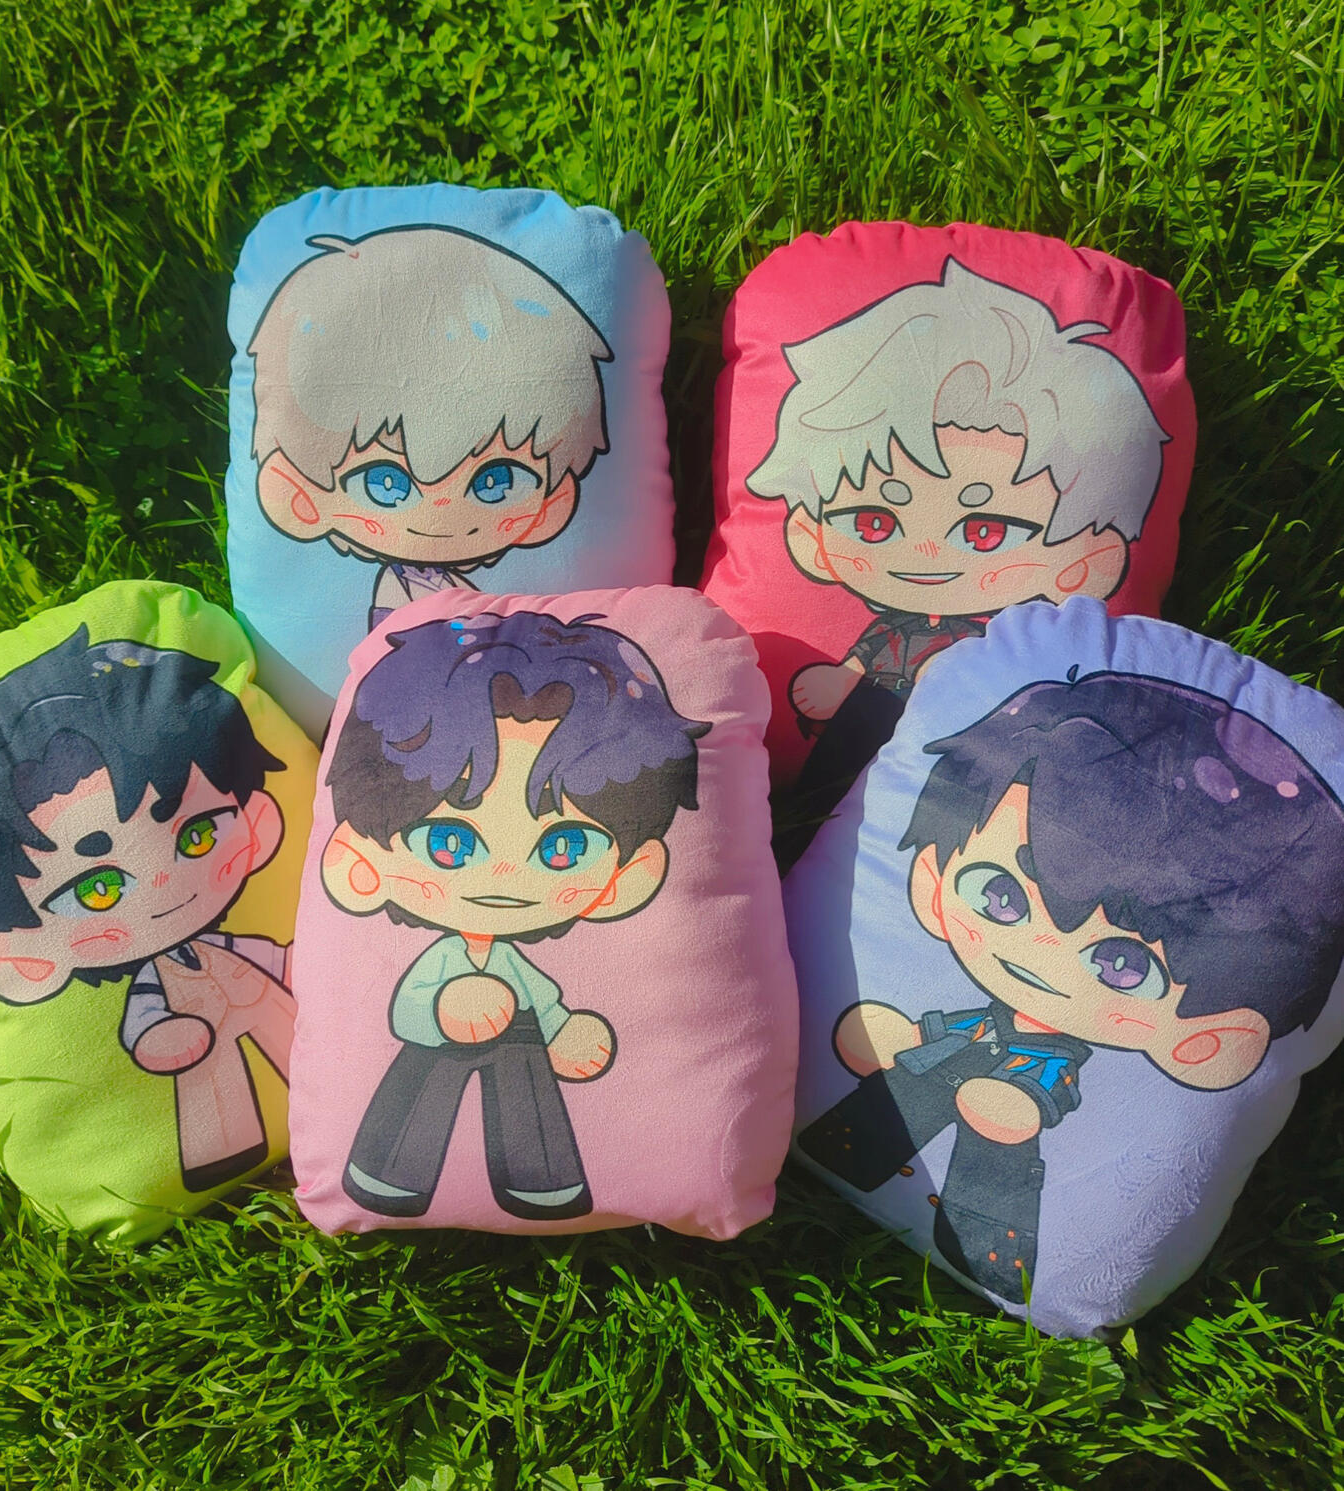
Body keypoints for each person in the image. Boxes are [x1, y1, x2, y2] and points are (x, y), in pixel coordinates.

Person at [796, 670, 1344, 1299]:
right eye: (999, 895)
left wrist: (1019, 1107)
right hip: (963, 1051)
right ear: (934, 882)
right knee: (919, 1074)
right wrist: (911, 1036)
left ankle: (990, 1254)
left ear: (1205, 1039)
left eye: (1122, 964)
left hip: (1025, 1086)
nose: (1040, 951)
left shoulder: (1055, 1059)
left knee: (999, 1124)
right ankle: (845, 1149)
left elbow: (1039, 1083)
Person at [748, 259, 1171, 820]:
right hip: (857, 730)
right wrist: (839, 680)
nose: (925, 553)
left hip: (965, 762)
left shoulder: (995, 640)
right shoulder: (889, 632)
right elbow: (861, 662)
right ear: (810, 535)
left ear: (1083, 561)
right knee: (851, 739)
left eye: (984, 530)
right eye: (874, 522)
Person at [320, 610, 708, 1220]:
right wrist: (444, 1010)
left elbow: (541, 999)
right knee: (425, 1070)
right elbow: (407, 1009)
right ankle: (389, 1174)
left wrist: (563, 1030)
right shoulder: (443, 959)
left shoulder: (511, 963)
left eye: (565, 847)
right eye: (449, 843)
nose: (504, 875)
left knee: (524, 1049)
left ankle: (542, 1179)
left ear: (626, 879)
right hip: (436, 1042)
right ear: (360, 862)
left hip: (515, 1036)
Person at [0, 628, 295, 1191]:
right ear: (21, 955)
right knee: (212, 1086)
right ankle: (222, 1152)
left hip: (257, 991)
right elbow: (147, 1018)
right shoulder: (154, 983)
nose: (163, 884)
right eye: (97, 890)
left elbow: (271, 957)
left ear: (257, 824)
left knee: (302, 1039)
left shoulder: (227, 940)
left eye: (197, 835)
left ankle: (336, 1085)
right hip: (192, 1021)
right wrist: (160, 1037)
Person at [248, 226, 614, 631]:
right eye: (386, 484)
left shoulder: (431, 591)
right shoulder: (406, 604)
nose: (442, 513)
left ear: (554, 501)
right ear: (300, 499)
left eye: (496, 482)